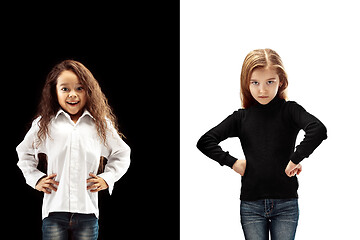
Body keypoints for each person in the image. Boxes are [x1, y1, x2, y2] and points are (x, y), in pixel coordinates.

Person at [197, 49, 327, 240]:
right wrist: (232, 162)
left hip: (286, 204)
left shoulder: (290, 111)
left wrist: (295, 158)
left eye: (270, 82)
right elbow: (205, 141)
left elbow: (318, 129)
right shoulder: (241, 118)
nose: (262, 90)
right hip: (251, 205)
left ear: (281, 81)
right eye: (255, 83)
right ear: (246, 82)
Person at [16, 60, 131, 240]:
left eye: (79, 88)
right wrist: (35, 179)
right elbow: (24, 153)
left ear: (88, 91)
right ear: (54, 91)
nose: (72, 95)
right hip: (54, 211)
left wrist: (107, 178)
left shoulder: (100, 125)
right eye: (65, 89)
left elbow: (122, 153)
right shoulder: (45, 124)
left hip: (87, 211)